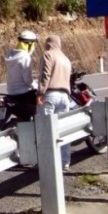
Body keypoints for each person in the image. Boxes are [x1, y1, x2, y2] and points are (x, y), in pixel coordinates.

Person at [36, 34, 73, 170]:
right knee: (62, 131)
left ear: (49, 44)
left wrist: (40, 92)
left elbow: (45, 75)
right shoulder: (66, 59)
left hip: (50, 94)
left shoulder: (48, 55)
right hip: (65, 97)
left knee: (45, 129)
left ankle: (46, 162)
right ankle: (64, 161)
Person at [4, 30, 39, 105]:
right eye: (34, 44)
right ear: (29, 44)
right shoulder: (25, 57)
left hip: (11, 92)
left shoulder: (11, 55)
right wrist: (37, 86)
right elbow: (28, 80)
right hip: (23, 93)